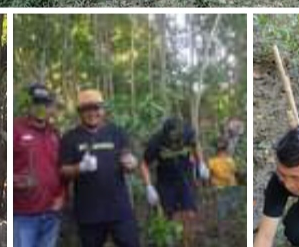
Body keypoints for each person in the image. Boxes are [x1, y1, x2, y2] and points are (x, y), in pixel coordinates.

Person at [60, 89, 140, 247]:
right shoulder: (70, 138)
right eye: (86, 109)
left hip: (119, 210)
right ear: (80, 112)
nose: (92, 113)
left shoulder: (117, 133)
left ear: (102, 109)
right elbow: (63, 171)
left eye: (95, 108)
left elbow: (128, 159)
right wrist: (80, 167)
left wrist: (131, 163)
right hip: (89, 213)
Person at [141, 117, 209, 246]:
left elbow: (195, 145)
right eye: (172, 141)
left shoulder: (189, 133)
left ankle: (187, 243)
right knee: (169, 217)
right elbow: (144, 163)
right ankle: (171, 242)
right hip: (166, 182)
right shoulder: (156, 142)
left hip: (186, 179)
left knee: (190, 214)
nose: (175, 144)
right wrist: (148, 186)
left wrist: (201, 163)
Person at [13, 84, 64, 247]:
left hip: (51, 214)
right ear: (29, 105)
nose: (41, 108)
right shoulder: (16, 129)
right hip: (24, 214)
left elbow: (61, 169)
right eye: (36, 103)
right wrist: (17, 180)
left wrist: (62, 196)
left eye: (45, 104)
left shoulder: (54, 134)